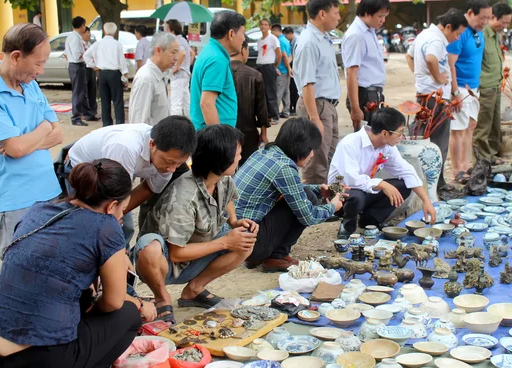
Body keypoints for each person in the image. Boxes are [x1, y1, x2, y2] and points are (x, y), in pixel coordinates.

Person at [0, 159, 154, 368]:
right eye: (122, 210)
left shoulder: (39, 211)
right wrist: (138, 303)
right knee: (129, 314)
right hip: (38, 358)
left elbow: (50, 261)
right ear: (112, 206)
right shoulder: (106, 226)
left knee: (80, 297)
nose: (120, 217)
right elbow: (113, 303)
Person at [135, 125, 256, 322]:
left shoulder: (222, 179)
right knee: (150, 247)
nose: (240, 158)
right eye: (238, 154)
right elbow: (176, 254)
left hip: (193, 255)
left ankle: (194, 290)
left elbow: (229, 199)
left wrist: (235, 222)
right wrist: (225, 242)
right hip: (163, 264)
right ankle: (160, 297)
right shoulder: (184, 197)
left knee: (245, 240)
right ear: (221, 158)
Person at [0, 23, 63, 258]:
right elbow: (17, 148)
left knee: (52, 265)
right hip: (15, 201)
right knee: (21, 269)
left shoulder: (30, 86)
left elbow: (57, 134)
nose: (41, 71)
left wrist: (26, 143)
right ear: (15, 57)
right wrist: (42, 129)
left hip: (49, 191)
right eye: (38, 63)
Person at [67, 116, 197, 246]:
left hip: (113, 176)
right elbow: (112, 199)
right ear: (152, 144)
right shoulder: (126, 147)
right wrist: (112, 219)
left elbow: (148, 189)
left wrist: (118, 215)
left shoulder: (168, 158)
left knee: (124, 228)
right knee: (93, 229)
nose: (172, 169)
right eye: (169, 162)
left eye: (178, 164)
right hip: (84, 173)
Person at [236, 118, 344, 272]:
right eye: (311, 149)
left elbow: (294, 188)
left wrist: (318, 189)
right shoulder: (284, 167)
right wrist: (333, 207)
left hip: (238, 233)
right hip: (249, 242)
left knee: (306, 193)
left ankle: (261, 256)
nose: (312, 155)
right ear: (300, 147)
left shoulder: (265, 152)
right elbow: (309, 216)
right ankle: (274, 257)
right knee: (307, 200)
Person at [329, 108, 437, 238]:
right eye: (400, 133)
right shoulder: (350, 143)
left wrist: (426, 201)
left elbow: (406, 170)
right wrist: (382, 184)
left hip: (364, 189)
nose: (402, 137)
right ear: (385, 133)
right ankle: (347, 227)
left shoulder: (387, 147)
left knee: (403, 186)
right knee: (357, 196)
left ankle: (369, 221)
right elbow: (351, 179)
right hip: (341, 193)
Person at [406, 8, 468, 189]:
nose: (457, 38)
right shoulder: (436, 40)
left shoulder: (424, 34)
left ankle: (429, 182)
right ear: (448, 27)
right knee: (438, 141)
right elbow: (432, 59)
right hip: (436, 98)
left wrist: (421, 76)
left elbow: (409, 56)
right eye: (457, 33)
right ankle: (437, 184)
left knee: (425, 136)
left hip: (427, 94)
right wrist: (437, 78)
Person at [294, 0, 342, 184]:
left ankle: (327, 203)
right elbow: (307, 84)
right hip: (317, 106)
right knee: (316, 162)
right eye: (336, 13)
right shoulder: (308, 42)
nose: (338, 17)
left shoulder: (324, 38)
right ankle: (315, 208)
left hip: (327, 105)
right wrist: (314, 118)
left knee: (329, 157)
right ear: (322, 14)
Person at [447, 0, 492, 182]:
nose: (486, 22)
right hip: (461, 89)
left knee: (470, 126)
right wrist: (455, 91)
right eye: (483, 18)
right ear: (470, 13)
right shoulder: (461, 30)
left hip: (474, 87)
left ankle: (466, 164)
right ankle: (457, 169)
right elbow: (450, 63)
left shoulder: (478, 31)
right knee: (458, 129)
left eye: (488, 18)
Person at [342, 0, 391, 131]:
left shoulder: (370, 31)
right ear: (368, 13)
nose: (383, 20)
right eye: (380, 16)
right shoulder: (356, 35)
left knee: (376, 140)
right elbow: (352, 72)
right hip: (364, 95)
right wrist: (355, 108)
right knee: (368, 141)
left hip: (374, 94)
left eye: (384, 16)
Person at [190, 10, 246, 130]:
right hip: (211, 139)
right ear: (231, 34)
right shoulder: (217, 60)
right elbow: (206, 104)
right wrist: (219, 140)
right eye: (242, 33)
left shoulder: (210, 51)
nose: (244, 39)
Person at [473, 2, 512, 165]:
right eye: (502, 22)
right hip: (485, 87)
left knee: (495, 123)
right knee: (483, 125)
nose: (504, 26)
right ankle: (481, 159)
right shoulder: (481, 35)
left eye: (507, 23)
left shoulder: (496, 34)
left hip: (496, 85)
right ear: (492, 17)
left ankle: (491, 154)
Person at [231, 38, 270, 165]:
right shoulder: (255, 75)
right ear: (243, 50)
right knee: (247, 168)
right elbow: (261, 108)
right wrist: (264, 133)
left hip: (225, 130)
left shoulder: (220, 72)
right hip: (248, 132)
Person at [84, 22, 129, 126]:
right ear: (115, 31)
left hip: (102, 73)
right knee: (118, 101)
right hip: (114, 74)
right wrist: (125, 77)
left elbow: (86, 55)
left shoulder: (97, 44)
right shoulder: (117, 44)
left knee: (105, 101)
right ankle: (120, 123)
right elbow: (122, 62)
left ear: (104, 31)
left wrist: (93, 65)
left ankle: (107, 124)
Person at [129, 32, 179, 125]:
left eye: (177, 52)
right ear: (158, 51)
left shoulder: (162, 74)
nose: (176, 57)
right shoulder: (146, 79)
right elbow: (138, 122)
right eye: (173, 52)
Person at [65, 16, 90, 126]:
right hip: (76, 65)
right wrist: (89, 55)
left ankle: (85, 112)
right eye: (84, 25)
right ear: (81, 26)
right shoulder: (75, 38)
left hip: (77, 65)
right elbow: (77, 54)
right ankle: (76, 117)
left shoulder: (74, 37)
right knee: (78, 92)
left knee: (82, 90)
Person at [166, 19, 194, 117]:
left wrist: (176, 67)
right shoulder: (183, 40)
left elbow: (182, 53)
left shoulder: (176, 41)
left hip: (178, 75)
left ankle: (175, 126)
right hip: (185, 73)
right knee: (186, 101)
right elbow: (192, 53)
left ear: (172, 31)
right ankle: (190, 123)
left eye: (167, 29)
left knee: (175, 102)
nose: (166, 31)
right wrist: (187, 65)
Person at [256, 19, 282, 124]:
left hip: (269, 66)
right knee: (262, 92)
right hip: (260, 66)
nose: (263, 27)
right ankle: (266, 115)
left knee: (270, 91)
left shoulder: (273, 39)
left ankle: (275, 116)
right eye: (262, 24)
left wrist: (274, 66)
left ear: (269, 27)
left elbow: (279, 54)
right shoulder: (259, 40)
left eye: (266, 25)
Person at [271, 23, 293, 119]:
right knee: (286, 92)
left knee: (278, 93)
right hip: (286, 70)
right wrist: (289, 67)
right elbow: (290, 55)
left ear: (276, 31)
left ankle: (275, 115)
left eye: (272, 32)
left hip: (281, 70)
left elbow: (283, 55)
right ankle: (286, 111)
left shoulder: (279, 41)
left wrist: (287, 67)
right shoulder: (286, 40)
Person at [82, 27, 100, 122]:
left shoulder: (90, 44)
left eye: (90, 33)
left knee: (93, 91)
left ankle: (93, 112)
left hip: (91, 69)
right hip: (84, 68)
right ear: (82, 34)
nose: (89, 35)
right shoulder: (80, 43)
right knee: (85, 91)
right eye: (87, 33)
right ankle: (86, 113)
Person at [283, 27, 299, 116]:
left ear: (290, 33)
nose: (285, 37)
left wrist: (287, 63)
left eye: (286, 35)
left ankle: (295, 108)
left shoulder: (296, 42)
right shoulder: (291, 42)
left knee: (294, 88)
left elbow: (293, 56)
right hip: (292, 66)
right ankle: (292, 107)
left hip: (295, 67)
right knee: (291, 88)